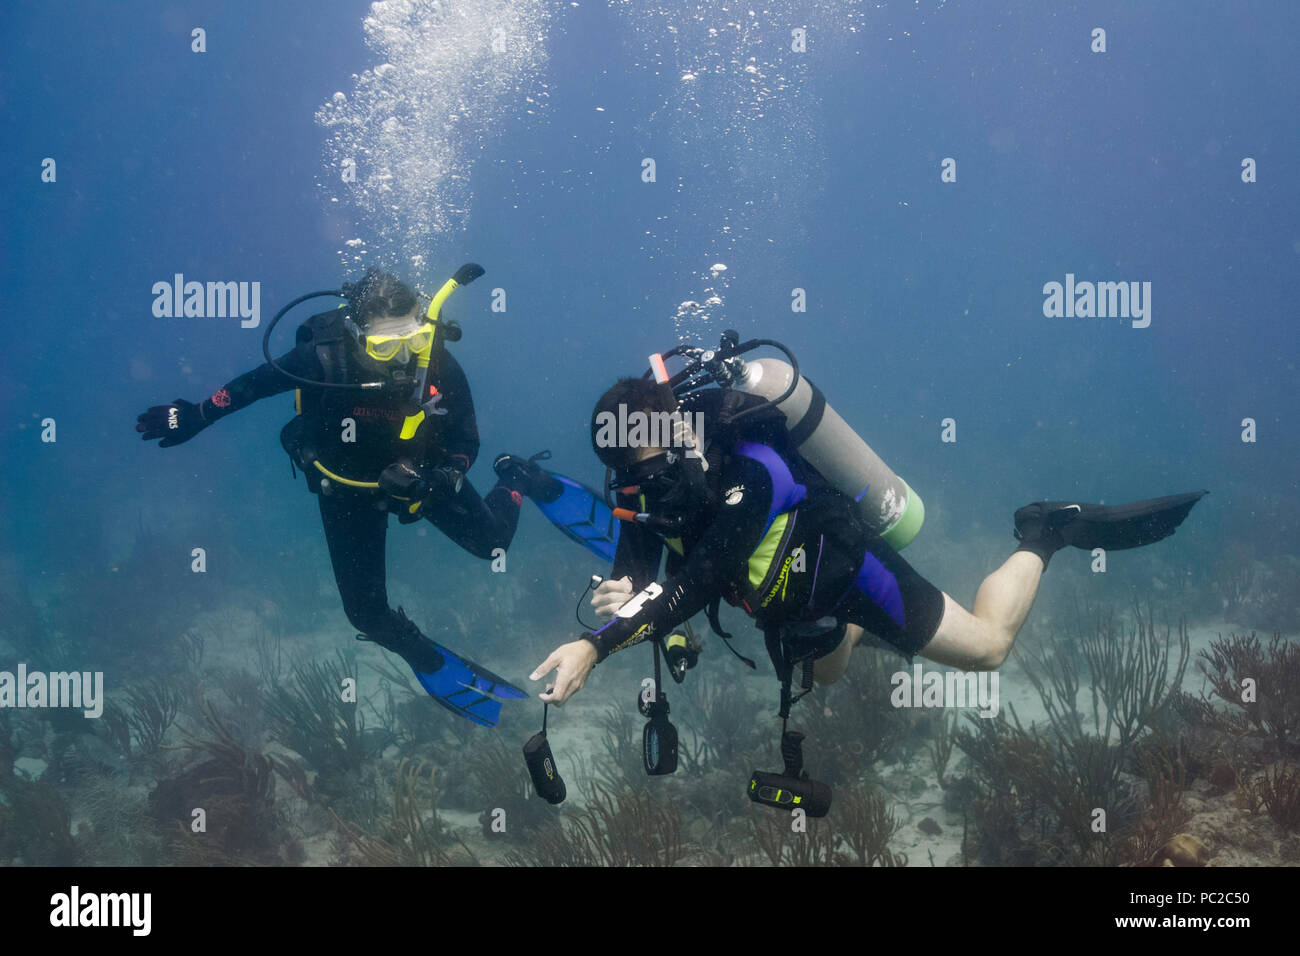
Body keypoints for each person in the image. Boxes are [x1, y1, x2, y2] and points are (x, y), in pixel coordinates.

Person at [530, 374, 1206, 705]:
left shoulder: (748, 473)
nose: (644, 490)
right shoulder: (638, 481)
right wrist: (624, 591)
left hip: (846, 567)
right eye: (626, 474)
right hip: (787, 600)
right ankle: (849, 634)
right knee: (820, 675)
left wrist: (595, 648)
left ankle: (1047, 531)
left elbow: (701, 577)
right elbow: (644, 569)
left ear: (679, 434)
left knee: (988, 651)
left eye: (650, 470)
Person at [136, 267, 551, 723]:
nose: (401, 359)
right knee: (366, 614)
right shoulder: (321, 359)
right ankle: (429, 661)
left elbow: (465, 439)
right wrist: (194, 415)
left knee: (492, 545)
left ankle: (518, 478)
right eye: (385, 346)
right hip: (347, 487)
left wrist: (444, 477)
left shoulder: (437, 361)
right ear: (356, 334)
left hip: (423, 474)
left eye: (411, 340)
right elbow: (249, 388)